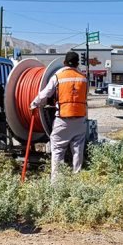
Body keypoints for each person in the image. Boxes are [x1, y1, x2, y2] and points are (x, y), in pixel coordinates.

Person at [30, 51, 88, 182]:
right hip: (80, 120)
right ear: (78, 63)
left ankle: (56, 183)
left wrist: (34, 104)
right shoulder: (83, 78)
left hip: (63, 119)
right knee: (78, 150)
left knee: (57, 149)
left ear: (64, 62)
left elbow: (45, 93)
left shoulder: (58, 76)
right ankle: (77, 180)